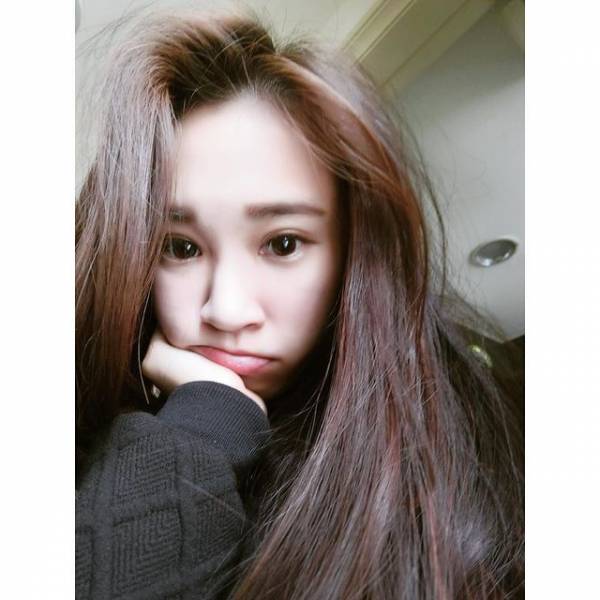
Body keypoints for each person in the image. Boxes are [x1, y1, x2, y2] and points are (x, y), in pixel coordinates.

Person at [75, 10, 524, 600]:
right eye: (180, 247)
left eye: (283, 243)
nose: (226, 311)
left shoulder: (457, 487)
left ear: (353, 254)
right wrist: (204, 424)